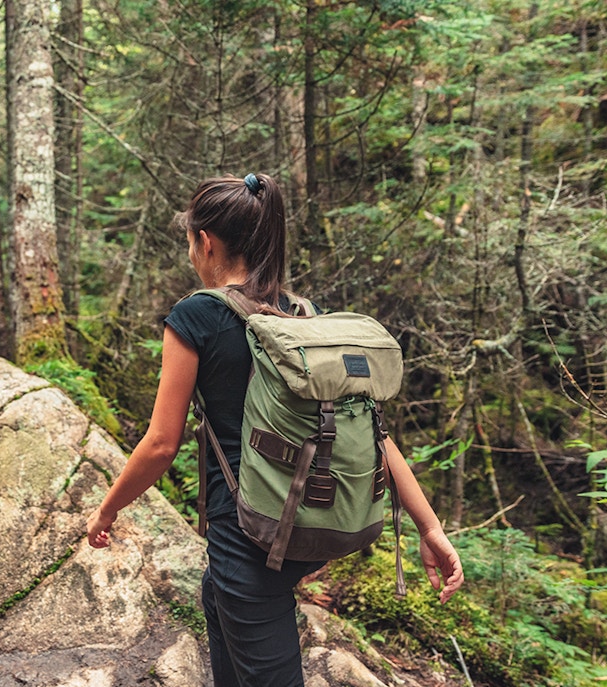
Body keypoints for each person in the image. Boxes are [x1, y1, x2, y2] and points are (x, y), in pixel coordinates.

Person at [85, 173, 463, 686]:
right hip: (306, 523)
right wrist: (429, 526)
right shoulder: (303, 317)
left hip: (249, 537)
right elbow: (375, 432)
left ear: (206, 242)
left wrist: (107, 509)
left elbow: (160, 444)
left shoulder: (196, 316)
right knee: (217, 602)